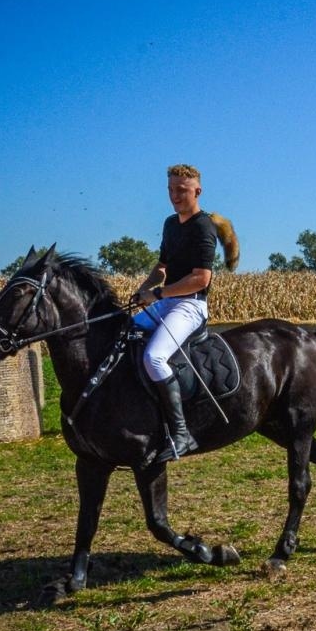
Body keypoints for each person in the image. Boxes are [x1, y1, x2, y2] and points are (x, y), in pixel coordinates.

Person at [130, 164, 219, 464]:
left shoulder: (204, 227)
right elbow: (162, 267)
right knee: (124, 333)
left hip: (191, 305)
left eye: (181, 190)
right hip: (167, 301)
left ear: (197, 191)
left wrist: (158, 294)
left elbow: (200, 279)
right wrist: (143, 289)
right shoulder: (170, 224)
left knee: (154, 357)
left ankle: (182, 433)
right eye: (170, 189)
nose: (175, 196)